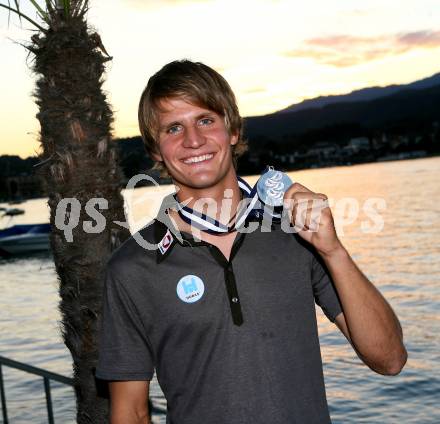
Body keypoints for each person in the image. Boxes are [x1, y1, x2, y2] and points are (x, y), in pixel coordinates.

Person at [95, 60, 407, 424]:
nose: (193, 140)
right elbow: (130, 411)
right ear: (154, 149)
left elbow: (390, 360)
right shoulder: (132, 267)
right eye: (173, 128)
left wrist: (333, 251)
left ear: (233, 129)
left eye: (206, 120)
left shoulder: (296, 232)